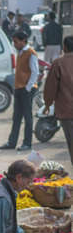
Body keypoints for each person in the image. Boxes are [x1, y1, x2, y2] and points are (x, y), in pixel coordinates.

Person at [0, 32, 38, 151]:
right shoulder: (20, 52)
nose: (14, 44)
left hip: (26, 88)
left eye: (16, 41)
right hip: (19, 88)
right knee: (16, 117)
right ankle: (12, 142)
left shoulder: (31, 53)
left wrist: (27, 88)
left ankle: (27, 143)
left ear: (23, 40)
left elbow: (35, 72)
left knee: (27, 117)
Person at [43, 36, 73, 166]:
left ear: (64, 47)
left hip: (67, 111)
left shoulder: (58, 63)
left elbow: (50, 87)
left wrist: (47, 105)